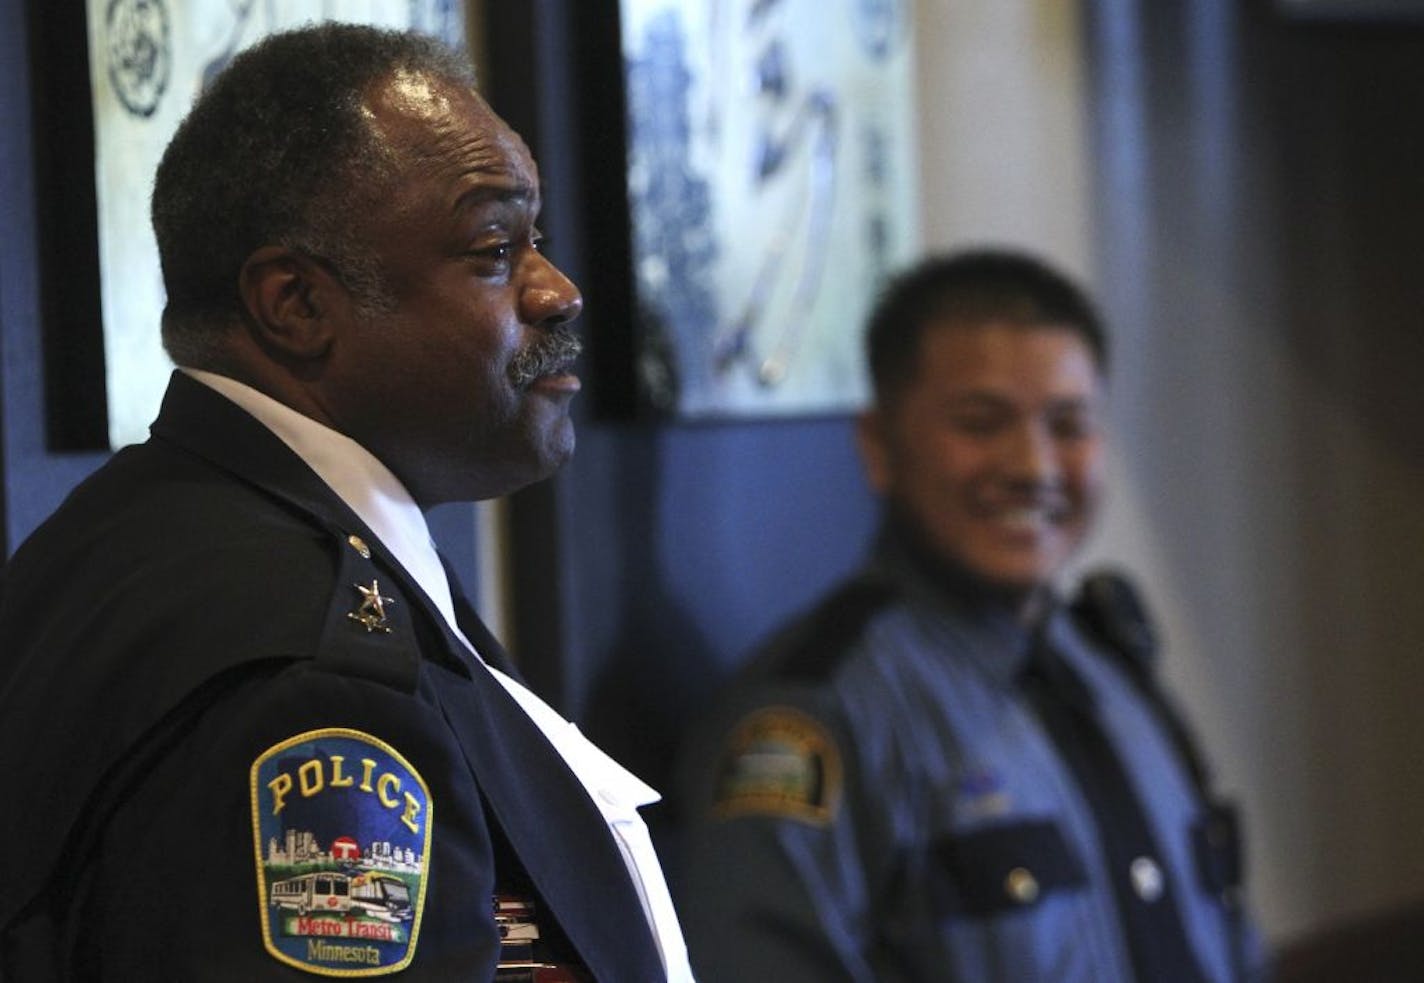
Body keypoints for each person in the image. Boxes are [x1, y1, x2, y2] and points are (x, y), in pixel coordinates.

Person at [0, 24, 693, 981]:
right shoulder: (316, 674)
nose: (559, 291)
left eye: (538, 240)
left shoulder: (144, 530)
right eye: (494, 248)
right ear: (296, 305)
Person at [672, 249, 1258, 982]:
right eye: (982, 423)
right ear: (881, 446)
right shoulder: (815, 716)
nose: (1034, 467)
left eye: (1069, 424)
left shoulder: (1113, 665)